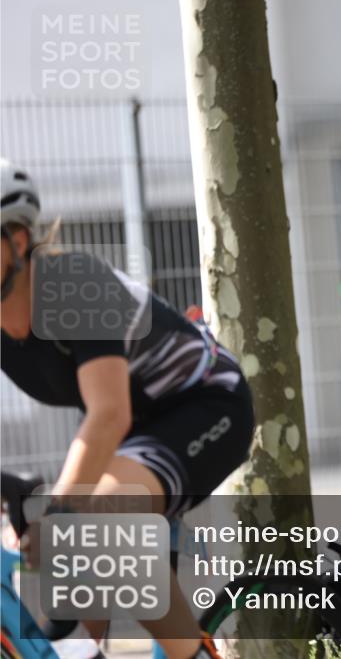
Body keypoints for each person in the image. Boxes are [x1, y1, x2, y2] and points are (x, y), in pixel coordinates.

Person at [0, 157, 254, 659]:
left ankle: (195, 654)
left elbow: (108, 414)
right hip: (137, 430)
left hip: (205, 404)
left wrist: (59, 513)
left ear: (17, 241)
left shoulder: (71, 284)